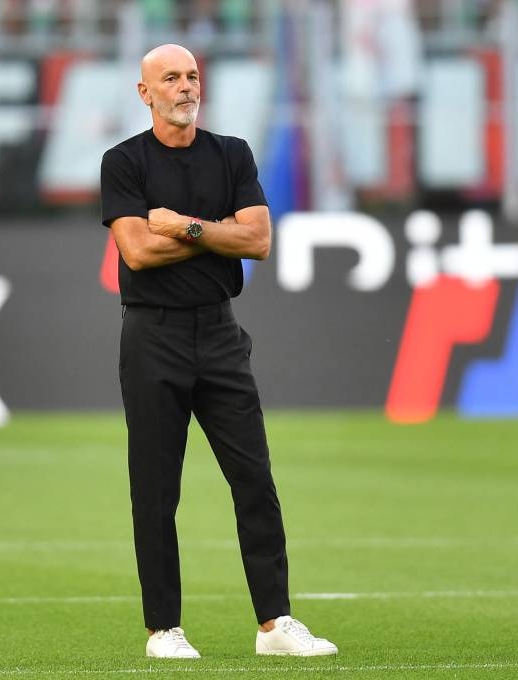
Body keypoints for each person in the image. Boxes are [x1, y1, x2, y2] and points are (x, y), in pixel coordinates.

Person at [99, 43, 337, 659]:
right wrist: (217, 233)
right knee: (156, 489)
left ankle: (275, 624)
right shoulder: (122, 162)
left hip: (220, 332)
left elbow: (257, 241)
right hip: (152, 335)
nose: (185, 87)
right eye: (170, 79)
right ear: (145, 93)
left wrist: (184, 225)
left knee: (254, 478)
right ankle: (163, 629)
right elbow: (137, 252)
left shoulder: (232, 153)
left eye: (192, 76)